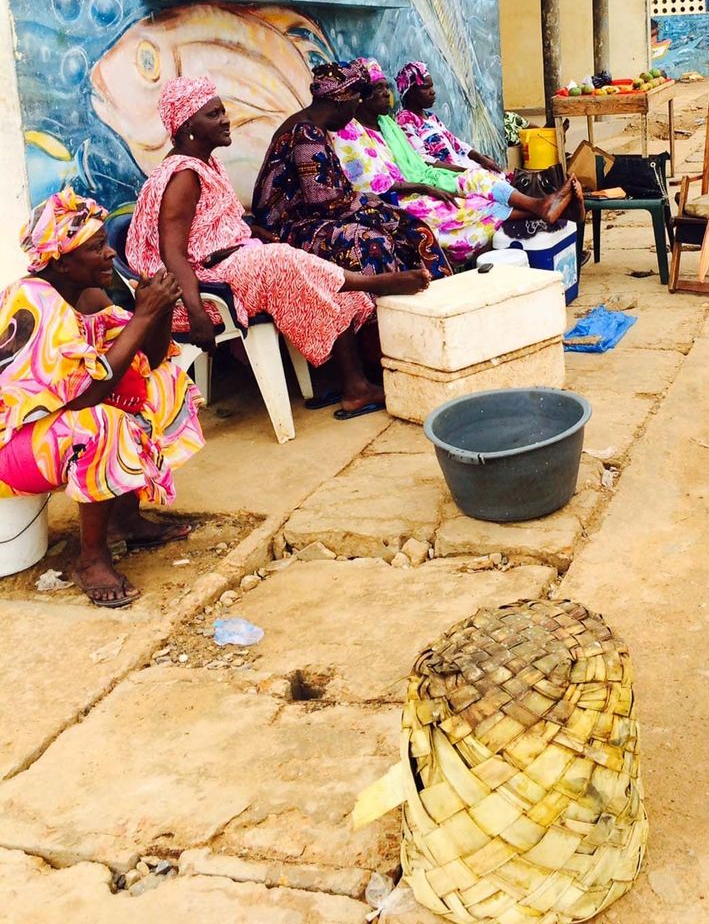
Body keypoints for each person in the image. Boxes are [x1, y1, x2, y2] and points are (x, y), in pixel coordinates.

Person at [127, 75, 426, 419]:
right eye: (213, 115)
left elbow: (210, 226)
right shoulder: (184, 175)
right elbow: (173, 253)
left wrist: (254, 230)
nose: (225, 119)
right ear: (186, 127)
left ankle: (355, 386)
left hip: (228, 264)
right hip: (202, 286)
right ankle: (367, 284)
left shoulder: (205, 164)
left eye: (222, 111)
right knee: (282, 260)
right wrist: (195, 311)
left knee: (298, 265)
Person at [0, 190, 204, 608]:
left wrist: (160, 311)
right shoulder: (32, 300)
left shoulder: (88, 293)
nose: (110, 253)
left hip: (47, 431)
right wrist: (143, 316)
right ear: (61, 261)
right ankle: (90, 559)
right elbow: (84, 397)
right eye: (96, 247)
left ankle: (124, 521)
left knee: (163, 381)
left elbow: (146, 359)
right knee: (99, 421)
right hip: (10, 446)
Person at [331, 60, 582, 264]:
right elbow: (374, 184)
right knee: (470, 202)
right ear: (360, 98)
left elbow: (446, 149)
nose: (387, 95)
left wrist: (477, 161)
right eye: (379, 90)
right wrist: (429, 186)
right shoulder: (366, 130)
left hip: (423, 179)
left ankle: (541, 205)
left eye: (387, 88)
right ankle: (541, 208)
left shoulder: (388, 124)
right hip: (396, 199)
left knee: (481, 179)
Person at [253, 61, 450, 281]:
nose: (354, 113)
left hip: (307, 218)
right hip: (284, 228)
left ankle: (422, 298)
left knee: (404, 225)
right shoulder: (306, 135)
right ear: (340, 103)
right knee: (373, 241)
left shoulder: (312, 127)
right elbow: (325, 202)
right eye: (355, 104)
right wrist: (372, 205)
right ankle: (380, 308)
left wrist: (375, 206)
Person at [394, 62, 502, 173]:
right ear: (410, 92)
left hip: (462, 170)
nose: (433, 92)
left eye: (432, 86)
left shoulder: (431, 118)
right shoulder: (405, 121)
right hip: (447, 177)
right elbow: (423, 160)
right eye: (426, 87)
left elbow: (457, 144)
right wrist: (467, 172)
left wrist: (481, 158)